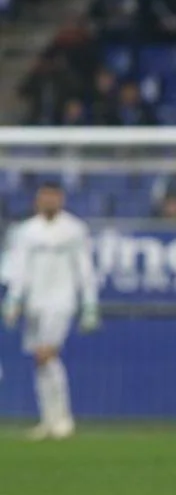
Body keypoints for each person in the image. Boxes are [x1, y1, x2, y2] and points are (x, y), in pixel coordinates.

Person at [1, 182, 99, 440]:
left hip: (61, 300)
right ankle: (49, 419)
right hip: (35, 302)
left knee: (47, 354)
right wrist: (13, 299)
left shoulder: (74, 229)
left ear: (61, 199)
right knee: (40, 359)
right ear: (37, 200)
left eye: (53, 197)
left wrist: (89, 303)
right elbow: (18, 267)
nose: (48, 202)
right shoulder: (25, 231)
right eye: (44, 197)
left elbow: (84, 267)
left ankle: (63, 418)